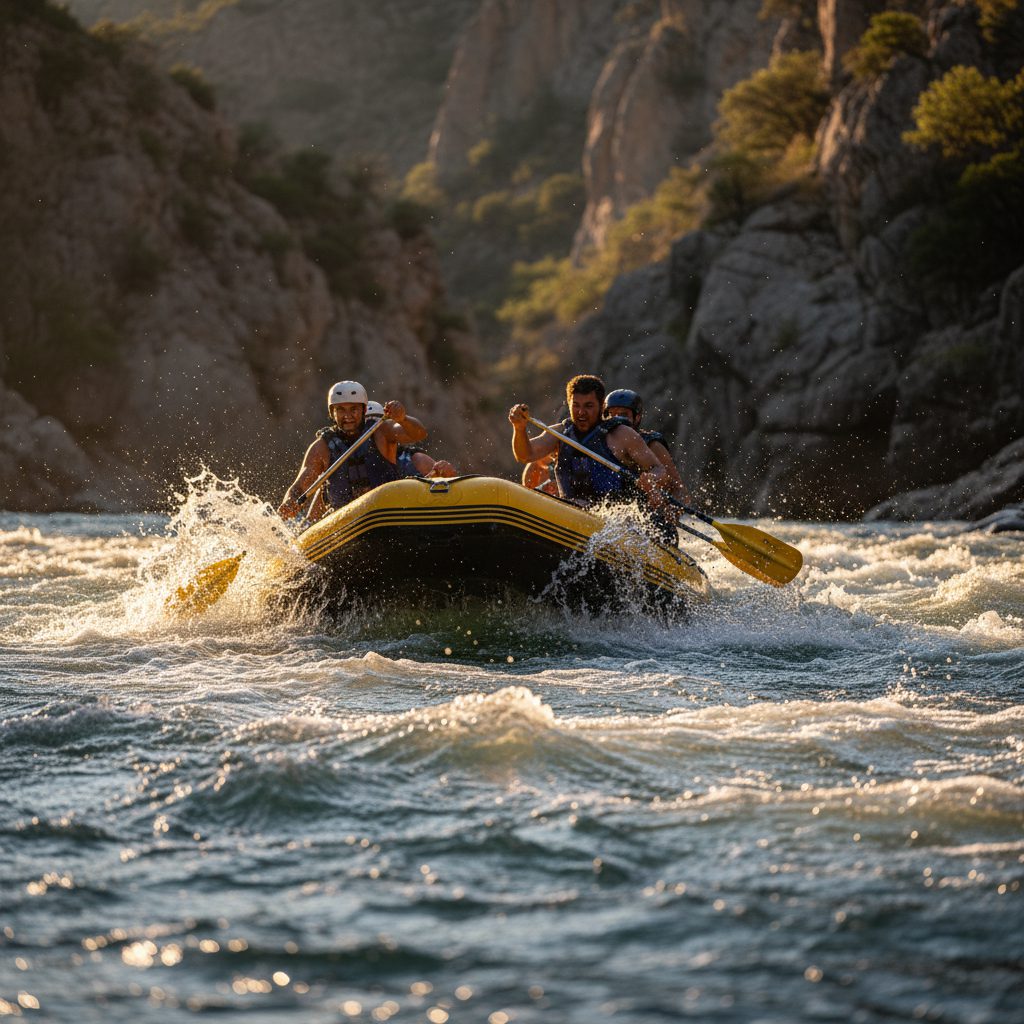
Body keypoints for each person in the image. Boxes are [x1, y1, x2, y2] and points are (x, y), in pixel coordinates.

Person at [508, 374, 666, 509]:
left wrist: (651, 478)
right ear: (569, 404)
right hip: (569, 512)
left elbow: (659, 469)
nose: (581, 412)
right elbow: (525, 456)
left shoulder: (622, 435)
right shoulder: (559, 433)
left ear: (601, 406)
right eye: (576, 406)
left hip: (612, 520)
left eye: (588, 406)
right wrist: (519, 429)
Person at [278, 380, 427, 523]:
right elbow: (300, 486)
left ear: (364, 410)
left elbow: (419, 434)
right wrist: (290, 502)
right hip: (344, 521)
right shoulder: (321, 447)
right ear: (332, 413)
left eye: (353, 409)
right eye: (340, 410)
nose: (347, 416)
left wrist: (403, 419)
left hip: (388, 510)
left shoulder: (381, 431)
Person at [603, 388, 691, 504]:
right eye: (611, 414)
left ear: (637, 417)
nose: (616, 419)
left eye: (623, 415)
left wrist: (671, 510)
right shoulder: (601, 439)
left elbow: (679, 489)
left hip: (646, 507)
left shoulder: (652, 444)